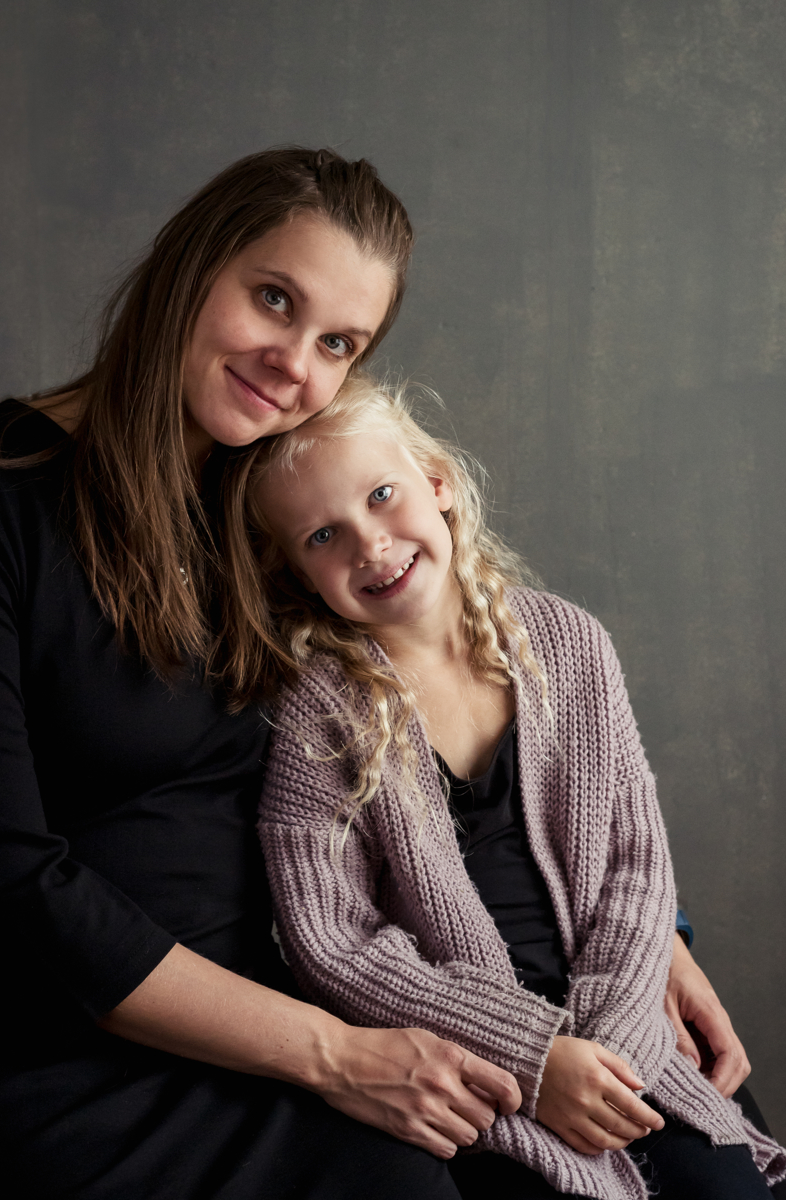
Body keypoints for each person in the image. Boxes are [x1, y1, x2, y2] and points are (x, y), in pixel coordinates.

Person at [0, 144, 760, 1200]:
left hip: (333, 1003)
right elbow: (6, 878)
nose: (291, 364)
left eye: (337, 343)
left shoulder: (273, 501)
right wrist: (336, 1055)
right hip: (97, 1039)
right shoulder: (6, 500)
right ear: (189, 264)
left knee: (701, 1139)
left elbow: (486, 728)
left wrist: (651, 936)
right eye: (272, 298)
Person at [250, 376, 786, 1199]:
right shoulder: (319, 714)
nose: (370, 545)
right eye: (324, 535)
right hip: (474, 1068)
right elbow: (332, 944)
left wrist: (611, 1047)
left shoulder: (569, 644)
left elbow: (636, 863)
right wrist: (534, 1060)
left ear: (437, 482)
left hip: (625, 1034)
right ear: (295, 570)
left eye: (382, 495)